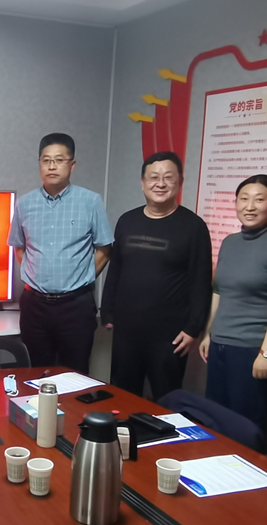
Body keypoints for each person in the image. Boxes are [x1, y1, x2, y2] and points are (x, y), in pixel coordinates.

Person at [101, 151, 212, 400]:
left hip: (169, 336)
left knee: (167, 400)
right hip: (127, 331)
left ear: (180, 182)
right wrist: (107, 310)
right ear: (143, 182)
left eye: (168, 177)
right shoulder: (127, 221)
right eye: (153, 177)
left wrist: (193, 328)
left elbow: (201, 281)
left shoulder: (194, 227)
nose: (160, 183)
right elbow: (116, 268)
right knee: (122, 396)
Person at [198, 175, 267, 433]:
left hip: (251, 349)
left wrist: (266, 353)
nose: (250, 206)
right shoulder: (230, 242)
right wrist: (209, 332)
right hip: (220, 345)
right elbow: (219, 291)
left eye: (259, 199)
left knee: (246, 426)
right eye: (244, 199)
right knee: (215, 420)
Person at [7, 133, 113, 375]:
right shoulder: (25, 204)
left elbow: (105, 249)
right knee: (35, 373)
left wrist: (82, 278)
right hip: (35, 305)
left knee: (75, 374)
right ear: (39, 164)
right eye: (46, 160)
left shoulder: (90, 201)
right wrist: (36, 276)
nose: (52, 166)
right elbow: (19, 247)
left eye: (59, 160)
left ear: (72, 165)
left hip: (76, 306)